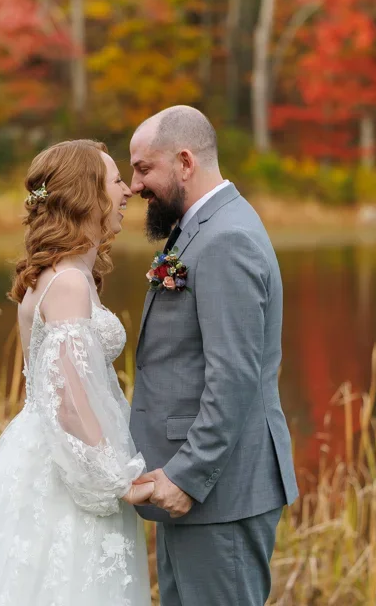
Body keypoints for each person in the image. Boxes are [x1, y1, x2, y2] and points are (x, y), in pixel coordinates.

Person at [0, 139, 153, 605]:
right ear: (87, 194)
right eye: (116, 180)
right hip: (72, 471)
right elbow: (68, 402)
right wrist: (119, 480)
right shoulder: (70, 283)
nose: (127, 191)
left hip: (49, 454)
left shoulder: (52, 277)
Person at [128, 105, 300, 606]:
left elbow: (234, 376)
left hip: (219, 492)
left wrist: (186, 475)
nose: (136, 186)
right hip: (198, 492)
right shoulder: (200, 227)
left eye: (144, 169)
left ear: (184, 162)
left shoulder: (227, 239)